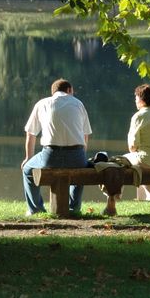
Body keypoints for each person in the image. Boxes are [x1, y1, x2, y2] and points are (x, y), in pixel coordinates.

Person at [21, 78, 92, 215]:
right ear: (69, 90)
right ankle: (73, 208)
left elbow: (31, 134)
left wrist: (28, 157)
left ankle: (35, 209)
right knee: (81, 168)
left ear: (53, 92)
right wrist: (81, 155)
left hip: (50, 156)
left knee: (28, 170)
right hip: (76, 155)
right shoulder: (78, 104)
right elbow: (85, 136)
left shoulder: (42, 104)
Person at [103, 83, 150, 215]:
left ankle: (112, 202)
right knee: (141, 168)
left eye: (136, 99)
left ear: (141, 100)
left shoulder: (139, 116)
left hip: (148, 160)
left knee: (115, 162)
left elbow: (132, 147)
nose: (135, 101)